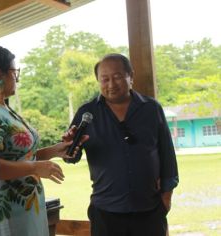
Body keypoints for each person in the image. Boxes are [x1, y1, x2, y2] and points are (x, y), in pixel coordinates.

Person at [0, 45, 85, 236]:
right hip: (8, 211)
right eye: (14, 72)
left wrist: (55, 150)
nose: (17, 78)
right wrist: (34, 168)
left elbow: (21, 156)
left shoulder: (3, 108)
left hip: (26, 208)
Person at [64, 53, 179, 236]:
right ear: (98, 81)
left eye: (117, 77)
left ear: (130, 76)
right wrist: (68, 147)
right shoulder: (87, 113)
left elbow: (167, 155)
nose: (111, 84)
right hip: (105, 212)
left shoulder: (151, 109)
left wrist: (166, 198)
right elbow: (70, 157)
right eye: (105, 79)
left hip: (149, 210)